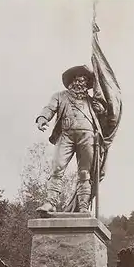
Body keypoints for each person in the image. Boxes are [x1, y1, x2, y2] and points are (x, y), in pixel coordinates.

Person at [35, 65, 106, 214]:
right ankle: (50, 202)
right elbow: (49, 108)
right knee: (57, 168)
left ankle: (83, 206)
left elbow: (106, 119)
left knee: (84, 173)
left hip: (88, 137)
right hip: (66, 136)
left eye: (84, 80)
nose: (81, 83)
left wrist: (101, 110)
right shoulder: (60, 96)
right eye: (78, 79)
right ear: (72, 81)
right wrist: (42, 118)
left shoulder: (92, 102)